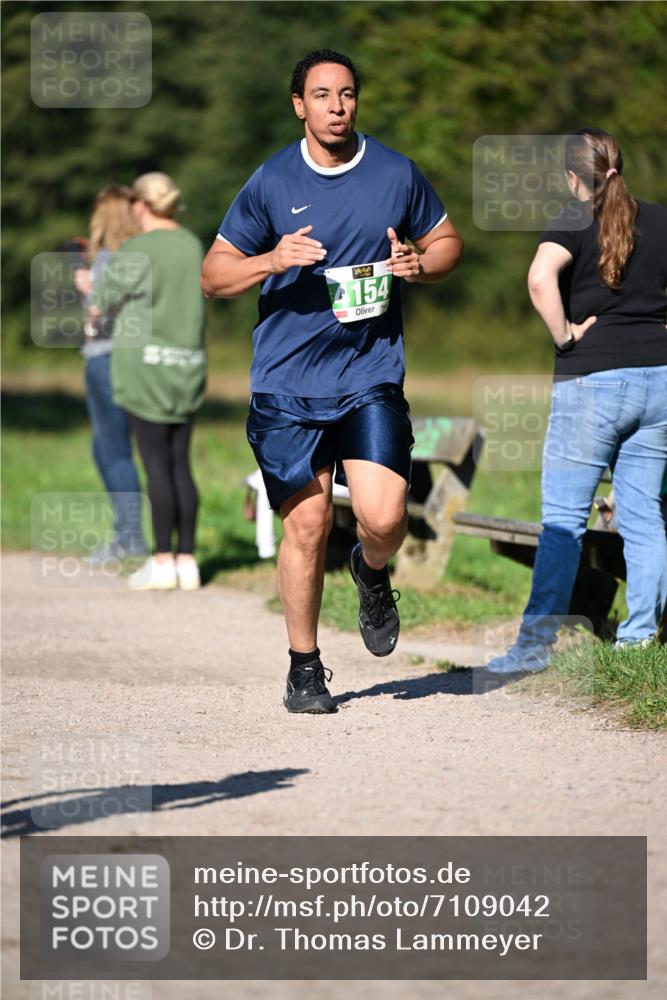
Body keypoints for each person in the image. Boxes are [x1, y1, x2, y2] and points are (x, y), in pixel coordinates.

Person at [201, 49, 463, 713]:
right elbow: (213, 275)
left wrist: (417, 264)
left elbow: (447, 243)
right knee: (307, 527)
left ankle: (371, 573)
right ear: (300, 105)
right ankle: (303, 666)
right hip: (286, 386)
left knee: (382, 517)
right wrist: (269, 258)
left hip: (368, 374)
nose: (336, 106)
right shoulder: (270, 182)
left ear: (355, 101)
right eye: (321, 95)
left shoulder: (395, 172)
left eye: (345, 94)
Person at [487, 127, 667, 674]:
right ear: (620, 167)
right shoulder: (659, 219)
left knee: (563, 520)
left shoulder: (572, 218)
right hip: (660, 384)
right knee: (643, 517)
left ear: (573, 176)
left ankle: (534, 648)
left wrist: (565, 334)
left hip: (592, 382)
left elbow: (540, 279)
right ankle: (638, 643)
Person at [89, 172, 207, 592]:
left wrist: (91, 293)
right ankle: (188, 561)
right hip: (188, 365)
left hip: (145, 369)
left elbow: (99, 307)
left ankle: (161, 563)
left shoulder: (137, 249)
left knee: (156, 465)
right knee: (181, 465)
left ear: (141, 206)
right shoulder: (193, 244)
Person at [73, 187, 149, 564]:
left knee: (114, 449)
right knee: (107, 448)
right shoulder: (143, 254)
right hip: (132, 357)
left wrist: (88, 290)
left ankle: (129, 538)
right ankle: (127, 534)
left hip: (106, 357)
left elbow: (99, 312)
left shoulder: (108, 257)